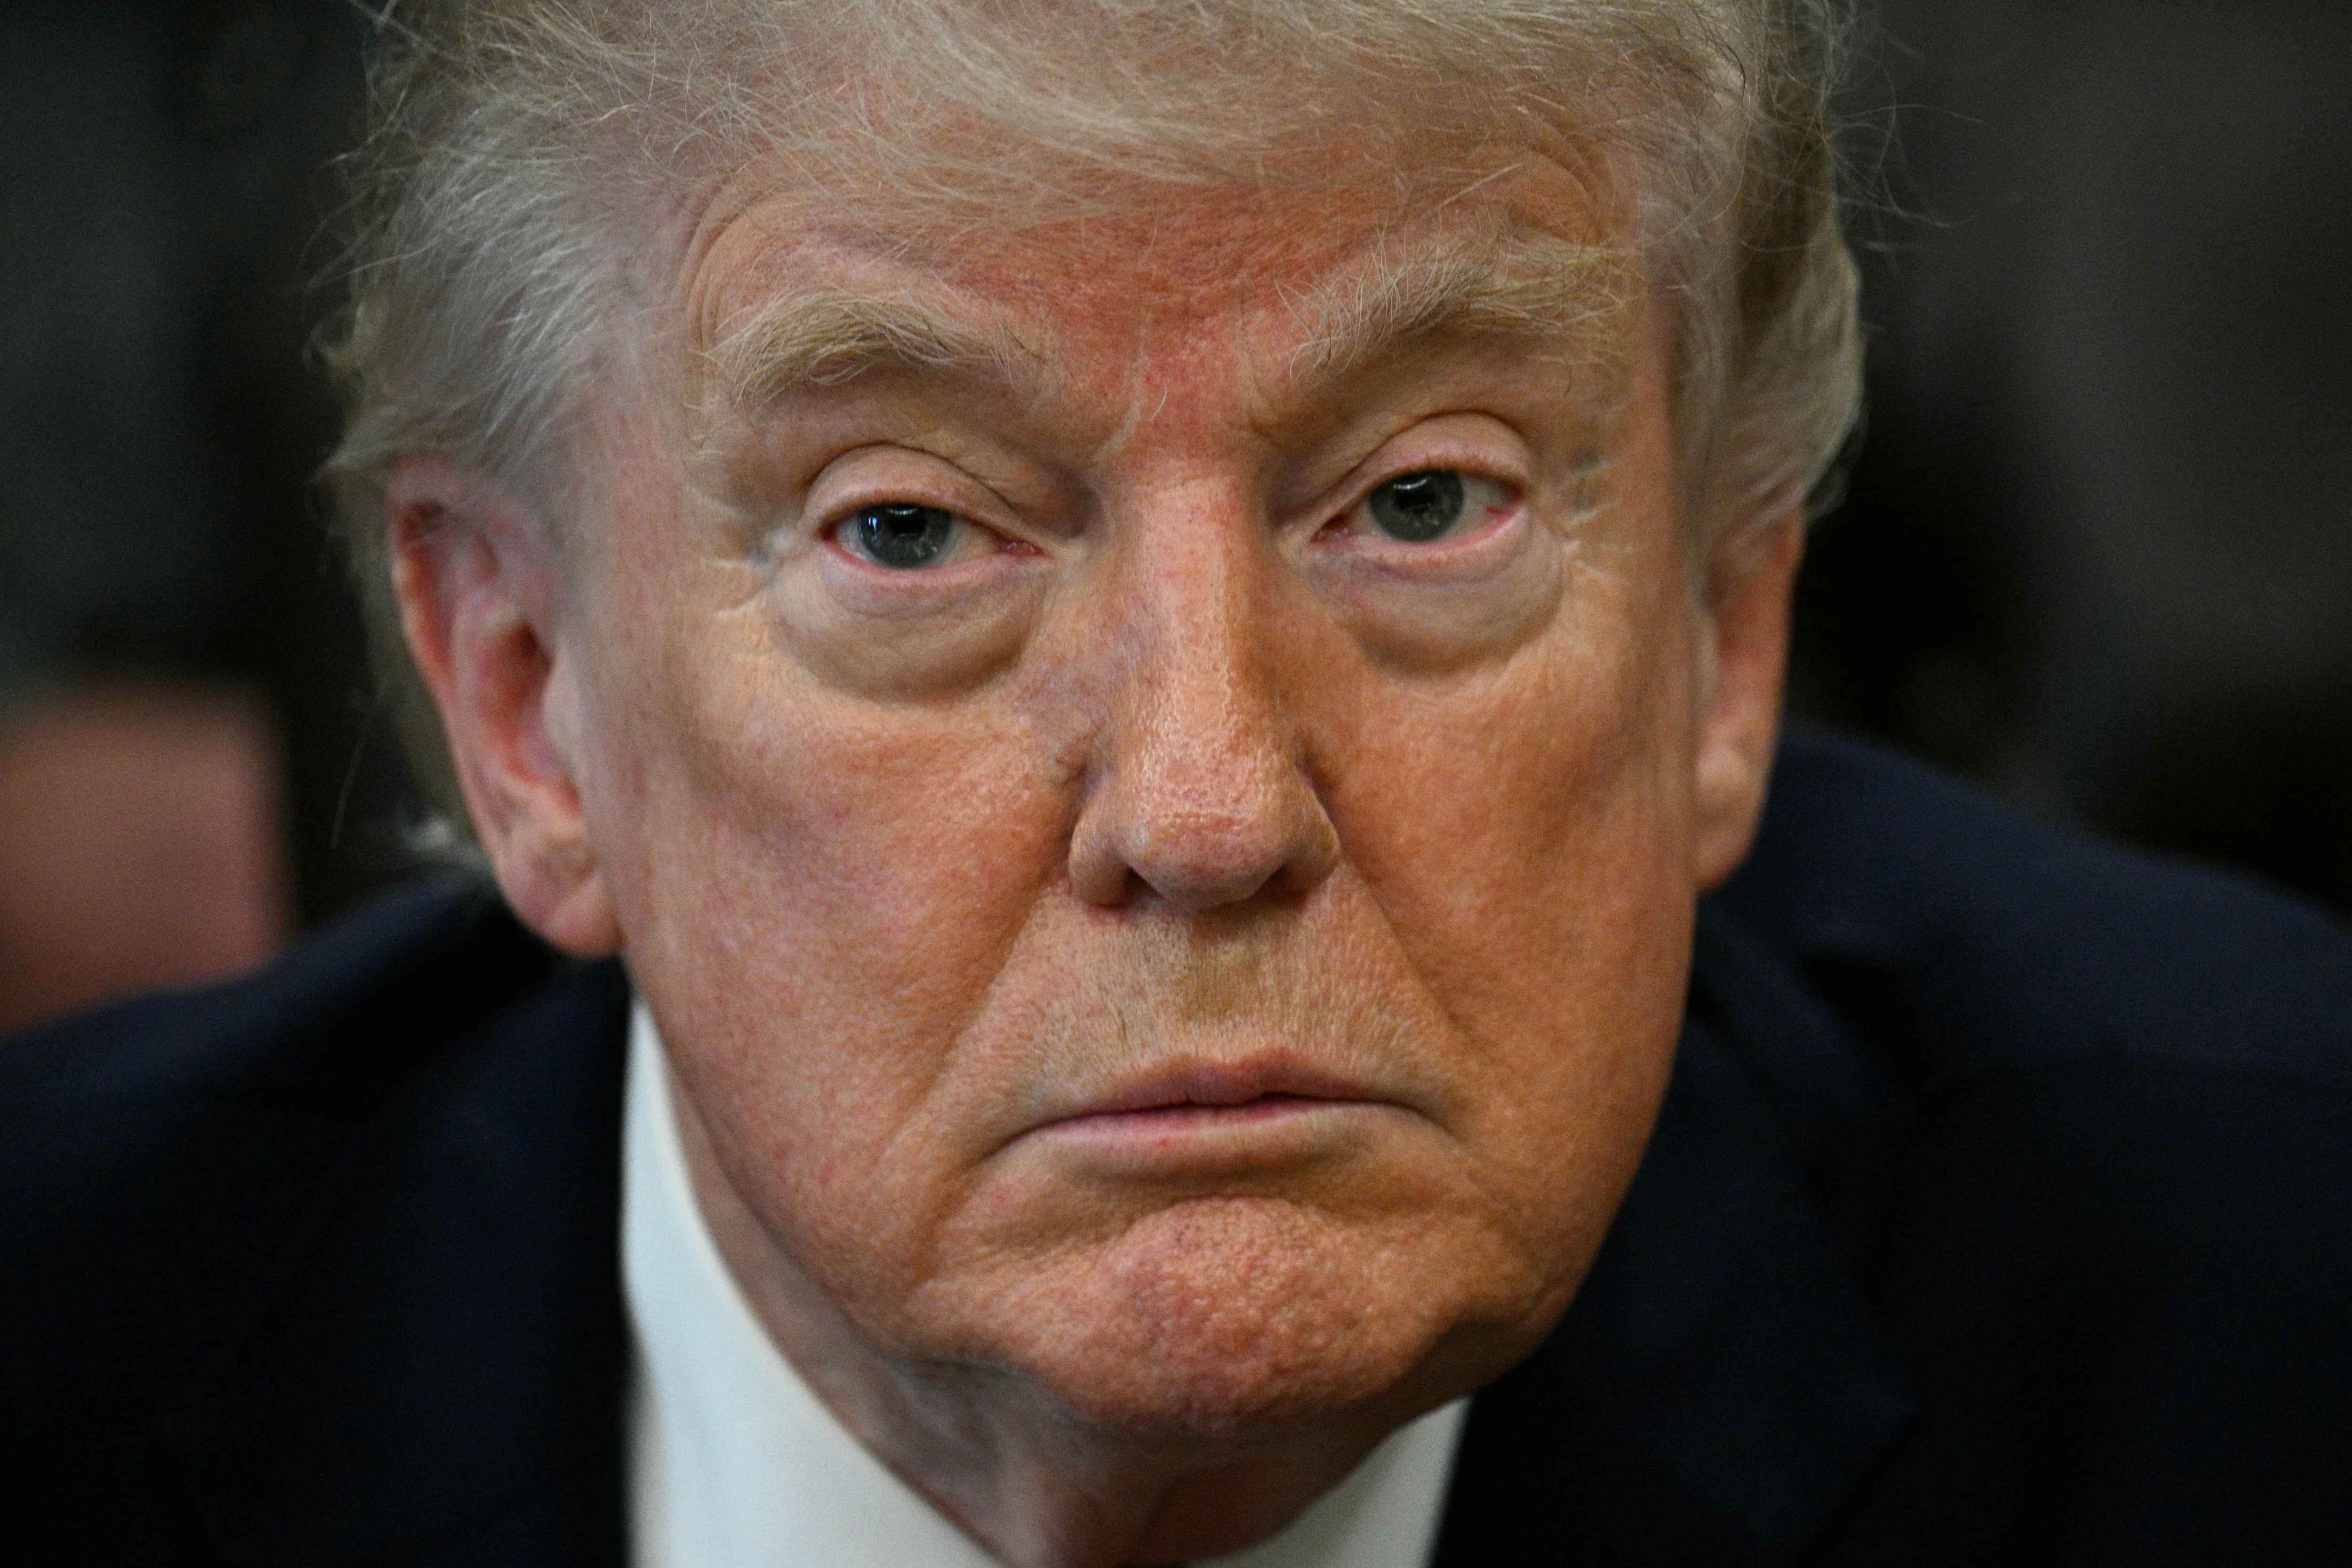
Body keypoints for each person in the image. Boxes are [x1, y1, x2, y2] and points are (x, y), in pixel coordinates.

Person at [4, 2, 2348, 1565]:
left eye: (1422, 504)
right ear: (528, 707)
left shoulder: (2263, 1300)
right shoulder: (69, 1336)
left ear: (1722, 641)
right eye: (908, 532)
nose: (1210, 808)